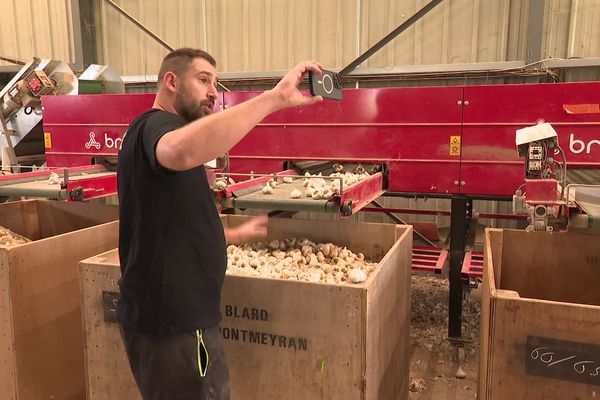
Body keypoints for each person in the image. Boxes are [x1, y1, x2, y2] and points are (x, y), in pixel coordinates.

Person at [116, 47, 324, 400]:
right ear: (171, 81)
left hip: (181, 319)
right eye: (202, 80)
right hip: (174, 324)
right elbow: (178, 151)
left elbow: (170, 223)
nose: (213, 91)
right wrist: (273, 99)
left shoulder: (168, 134)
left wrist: (228, 234)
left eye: (215, 82)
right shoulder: (157, 126)